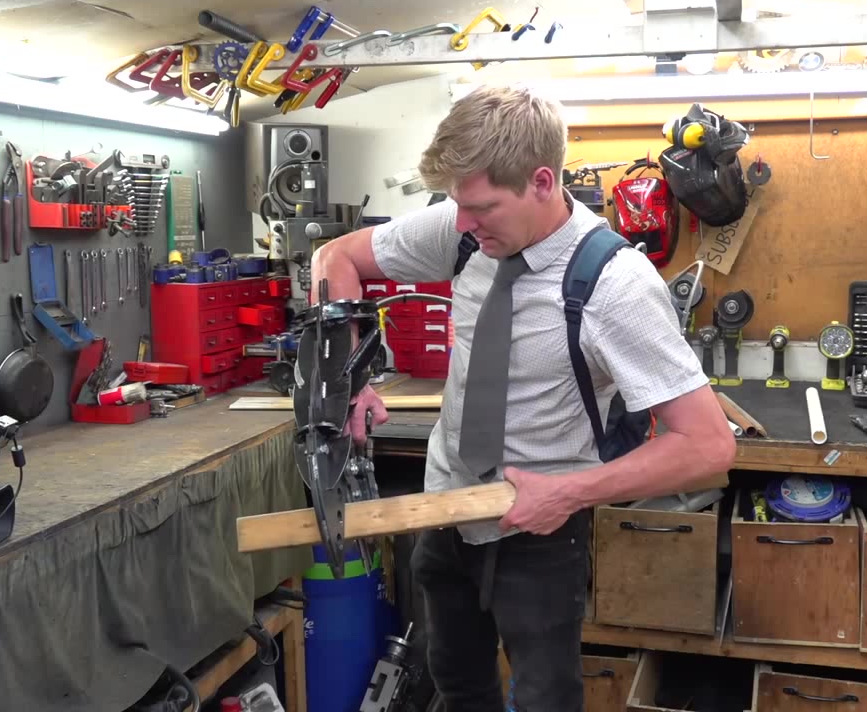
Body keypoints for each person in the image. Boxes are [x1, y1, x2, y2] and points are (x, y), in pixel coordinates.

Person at [310, 85, 736, 712]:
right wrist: (347, 378)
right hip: (446, 507)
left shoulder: (615, 284)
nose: (462, 222)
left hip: (540, 530)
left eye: (481, 207)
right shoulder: (464, 231)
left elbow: (708, 445)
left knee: (544, 696)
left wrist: (567, 494)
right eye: (457, 205)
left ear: (541, 182)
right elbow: (335, 258)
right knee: (456, 681)